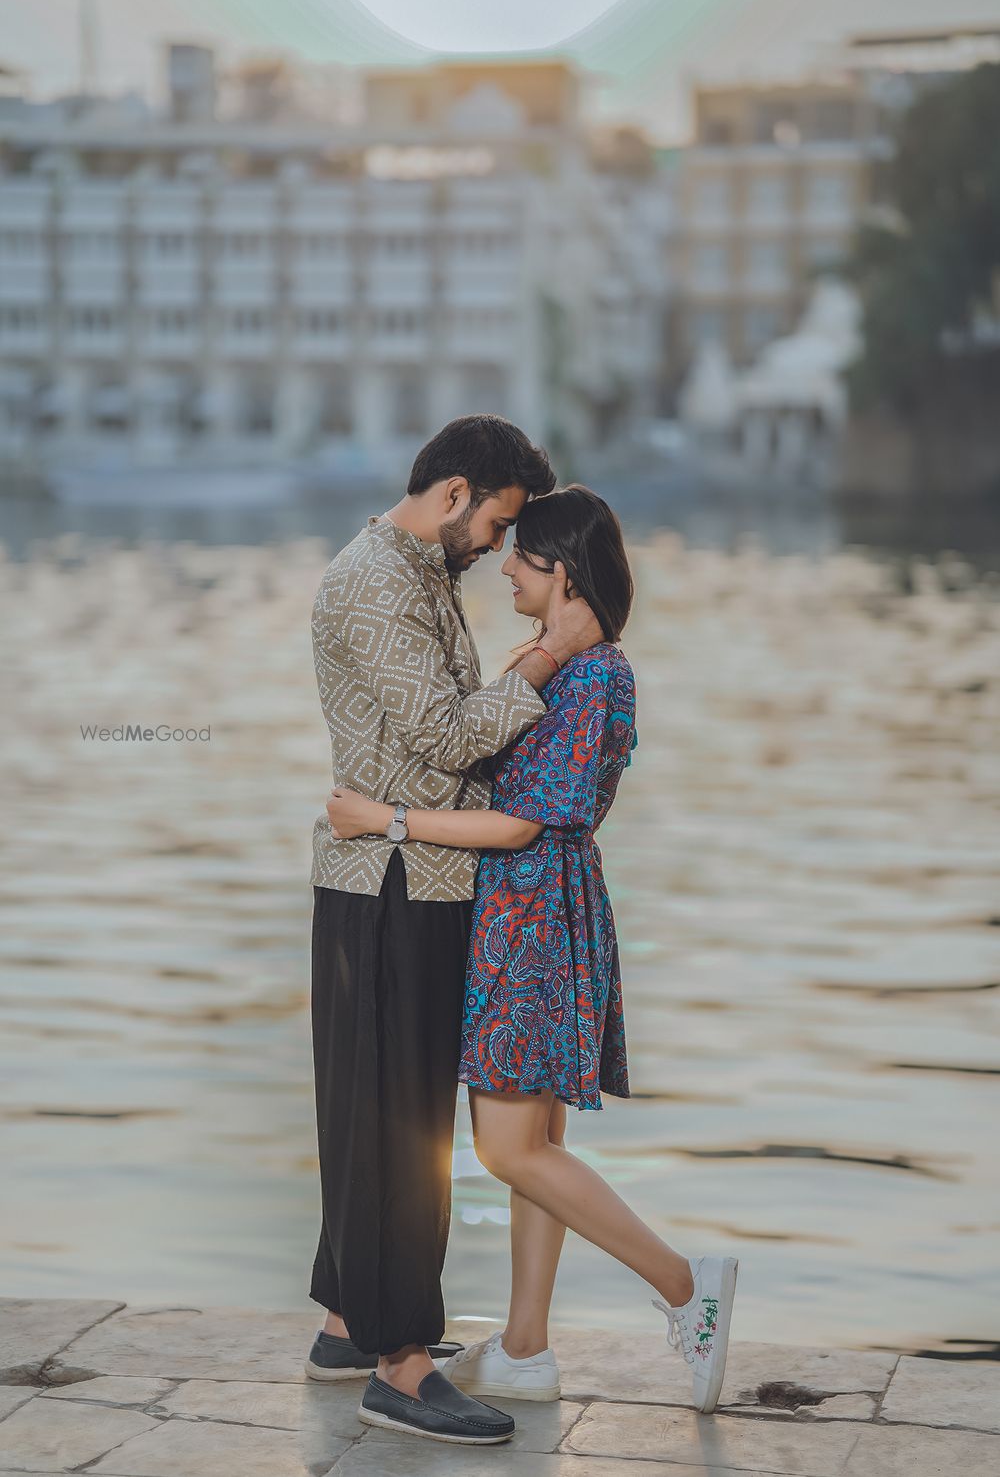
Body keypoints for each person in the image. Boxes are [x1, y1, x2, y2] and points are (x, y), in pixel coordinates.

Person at [326, 486, 739, 1418]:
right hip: (539, 912)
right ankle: (523, 1346)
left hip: (534, 917)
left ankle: (685, 1284)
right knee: (539, 1140)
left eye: (523, 555)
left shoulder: (596, 677)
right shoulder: (565, 666)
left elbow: (517, 824)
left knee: (508, 1147)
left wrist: (382, 818)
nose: (505, 564)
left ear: (561, 571)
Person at [304, 415, 604, 1446]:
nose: (495, 547)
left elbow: (428, 727)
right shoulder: (383, 579)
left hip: (395, 871)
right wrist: (545, 659)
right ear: (453, 493)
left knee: (367, 1102)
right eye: (497, 523)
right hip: (394, 874)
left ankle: (349, 1320)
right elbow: (438, 738)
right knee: (399, 1124)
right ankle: (400, 1364)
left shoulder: (410, 567)